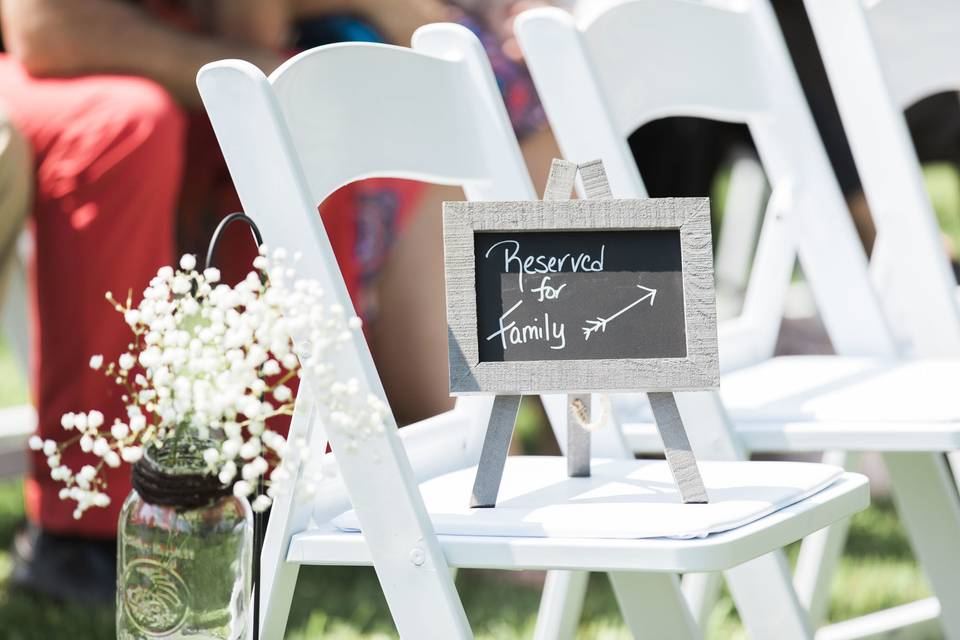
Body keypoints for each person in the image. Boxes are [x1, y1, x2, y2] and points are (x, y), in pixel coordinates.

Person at [0, 0, 557, 603]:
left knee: (297, 117)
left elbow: (255, 31)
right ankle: (79, 529)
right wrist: (241, 74)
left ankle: (282, 495)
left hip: (201, 65)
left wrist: (254, 73)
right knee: (129, 123)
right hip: (63, 74)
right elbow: (48, 36)